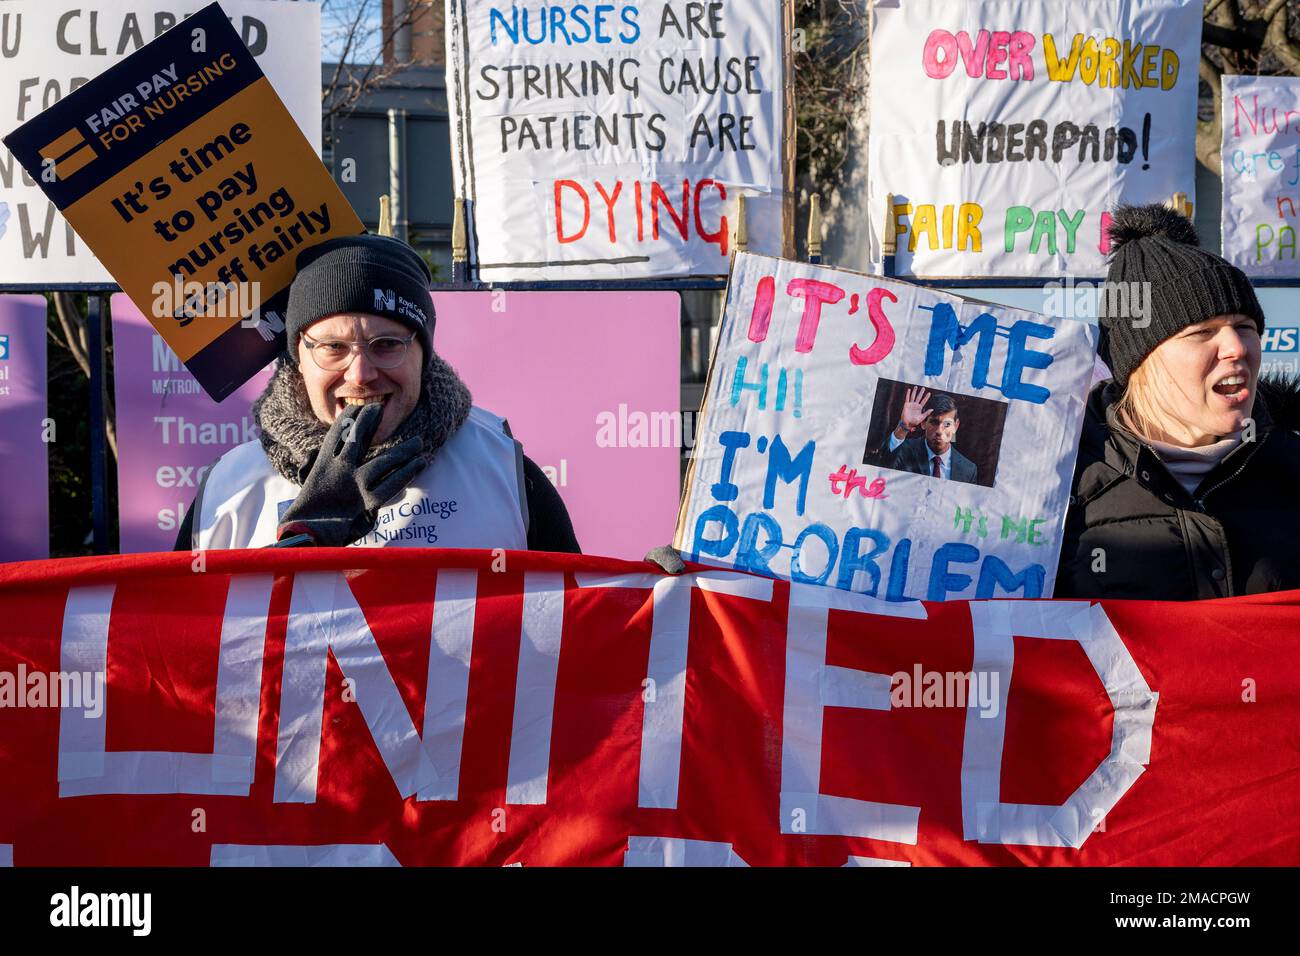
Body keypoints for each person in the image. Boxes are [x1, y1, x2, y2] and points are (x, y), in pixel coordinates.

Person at [174, 234, 580, 553]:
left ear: (424, 352)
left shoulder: (504, 470)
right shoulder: (229, 487)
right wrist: (305, 538)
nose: (361, 374)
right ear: (299, 355)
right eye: (333, 348)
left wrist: (643, 594)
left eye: (387, 344)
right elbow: (186, 641)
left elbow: (576, 627)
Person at [1055, 203, 1300, 600]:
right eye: (1203, 333)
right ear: (1140, 361)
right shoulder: (1060, 484)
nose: (1237, 347)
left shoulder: (1290, 468)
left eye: (1245, 327)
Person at [875, 387, 979, 483]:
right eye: (934, 422)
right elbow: (880, 469)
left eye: (947, 424)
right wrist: (904, 427)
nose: (939, 431)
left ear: (955, 426)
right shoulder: (903, 450)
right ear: (923, 423)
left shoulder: (969, 470)